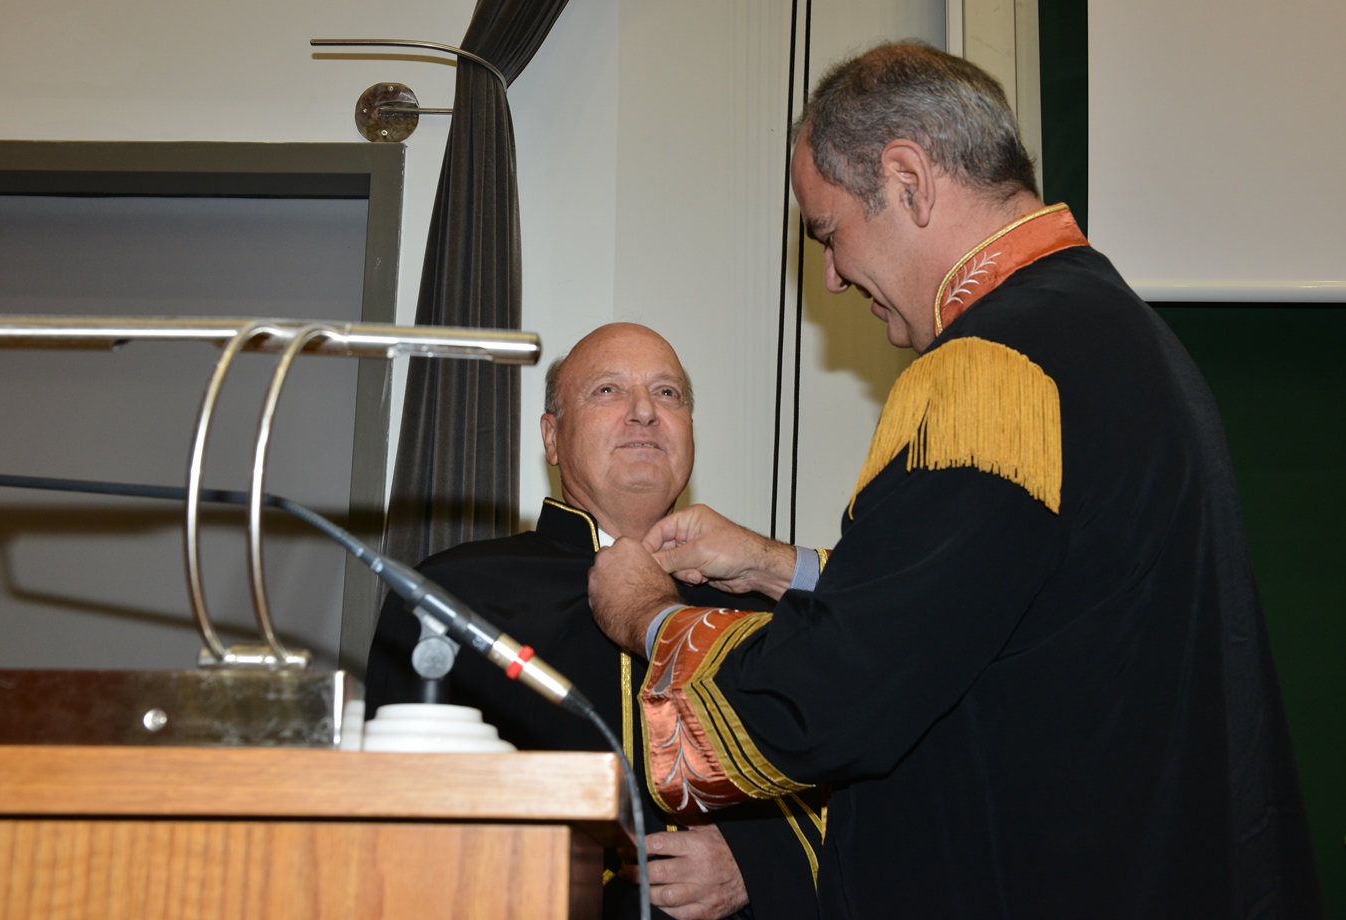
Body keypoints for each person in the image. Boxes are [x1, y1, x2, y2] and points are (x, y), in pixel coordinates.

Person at [587, 43, 1322, 918]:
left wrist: (648, 614)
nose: (832, 276)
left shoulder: (988, 372)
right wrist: (781, 567)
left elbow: (836, 694)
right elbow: (995, 604)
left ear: (908, 180)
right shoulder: (1108, 329)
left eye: (828, 232)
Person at [366, 323, 822, 920]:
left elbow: (862, 789)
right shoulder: (452, 594)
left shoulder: (770, 606)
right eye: (608, 390)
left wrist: (756, 863)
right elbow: (399, 819)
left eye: (667, 394)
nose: (644, 412)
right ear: (552, 437)